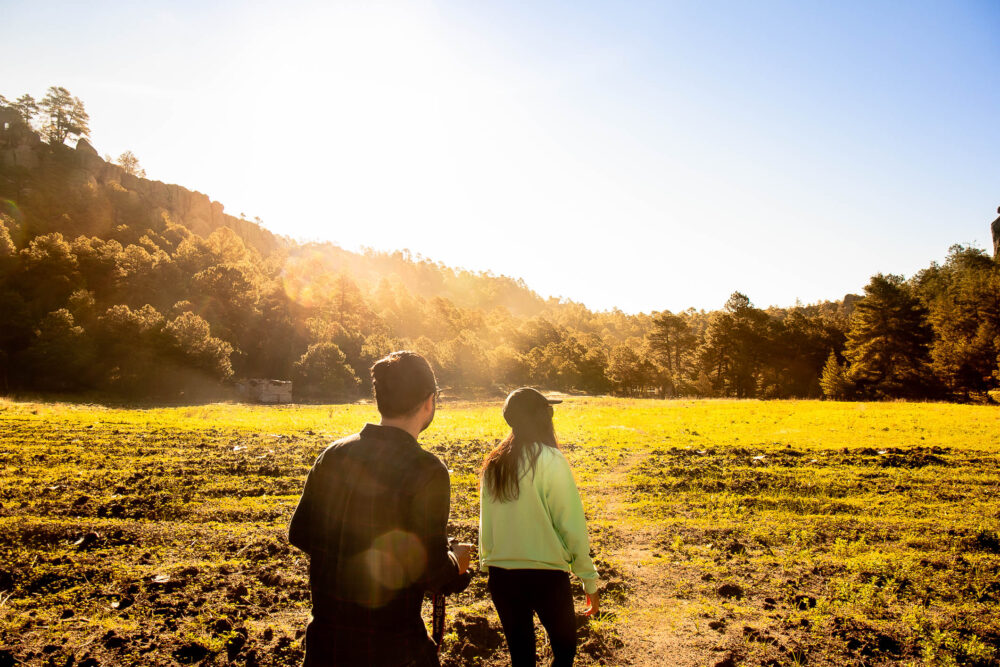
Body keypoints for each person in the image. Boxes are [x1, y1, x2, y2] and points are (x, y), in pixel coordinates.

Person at [289, 351, 474, 667]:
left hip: (326, 643)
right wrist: (457, 561)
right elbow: (431, 571)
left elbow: (300, 533)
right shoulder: (427, 471)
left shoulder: (333, 455)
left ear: (379, 398)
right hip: (393, 648)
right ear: (429, 402)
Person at [479, 388, 600, 667]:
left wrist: (489, 562)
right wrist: (588, 577)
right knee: (565, 650)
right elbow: (570, 524)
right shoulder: (550, 459)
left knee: (521, 657)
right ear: (541, 417)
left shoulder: (494, 463)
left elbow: (487, 522)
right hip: (545, 575)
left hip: (502, 575)